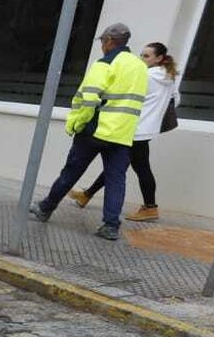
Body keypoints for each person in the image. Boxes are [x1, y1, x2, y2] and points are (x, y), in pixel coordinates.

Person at [28, 22, 149, 241]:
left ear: (109, 42)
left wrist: (77, 124)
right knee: (116, 180)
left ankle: (46, 208)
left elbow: (89, 98)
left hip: (95, 130)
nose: (102, 46)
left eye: (103, 41)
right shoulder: (140, 66)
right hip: (122, 135)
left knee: (72, 171)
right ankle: (111, 226)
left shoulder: (104, 63)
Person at [69, 41, 178, 222]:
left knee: (136, 169)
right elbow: (176, 101)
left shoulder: (146, 75)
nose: (141, 59)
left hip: (134, 129)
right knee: (119, 167)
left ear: (159, 58)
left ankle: (150, 207)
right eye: (141, 54)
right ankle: (86, 195)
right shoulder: (170, 78)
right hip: (146, 130)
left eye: (146, 56)